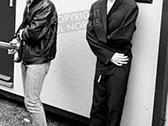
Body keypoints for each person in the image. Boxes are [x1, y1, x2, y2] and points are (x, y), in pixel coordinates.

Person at [86, 0, 139, 126]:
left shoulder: (130, 6)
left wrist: (103, 44)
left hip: (120, 61)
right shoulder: (97, 6)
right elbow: (90, 35)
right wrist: (109, 55)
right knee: (98, 105)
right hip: (103, 59)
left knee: (114, 107)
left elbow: (123, 36)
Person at [9, 0, 58, 125]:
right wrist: (16, 40)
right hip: (29, 57)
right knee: (30, 100)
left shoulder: (46, 6)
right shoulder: (30, 3)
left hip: (38, 59)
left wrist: (20, 34)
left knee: (32, 102)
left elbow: (33, 33)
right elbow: (25, 26)